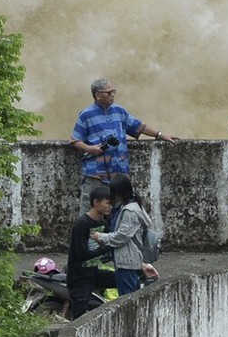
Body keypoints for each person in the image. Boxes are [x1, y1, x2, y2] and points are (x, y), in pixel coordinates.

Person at [71, 78, 178, 204]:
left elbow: (139, 126)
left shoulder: (119, 111)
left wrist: (160, 135)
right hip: (96, 175)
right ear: (98, 95)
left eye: (113, 92)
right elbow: (75, 140)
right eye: (109, 92)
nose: (112, 95)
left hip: (119, 175)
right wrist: (90, 149)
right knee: (93, 214)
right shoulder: (86, 115)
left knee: (119, 212)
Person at [91, 174, 158, 295]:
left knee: (127, 298)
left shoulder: (130, 211)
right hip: (129, 261)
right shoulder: (132, 206)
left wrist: (100, 237)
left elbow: (121, 237)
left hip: (127, 263)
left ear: (118, 193)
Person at [65, 184, 119, 318]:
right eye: (107, 203)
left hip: (94, 272)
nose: (110, 206)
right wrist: (103, 248)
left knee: (122, 279)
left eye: (112, 203)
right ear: (96, 202)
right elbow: (82, 253)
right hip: (79, 278)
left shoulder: (103, 223)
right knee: (80, 316)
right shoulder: (82, 224)